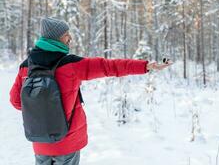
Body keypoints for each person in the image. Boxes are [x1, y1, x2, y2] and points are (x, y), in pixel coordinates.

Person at [9, 17, 171, 165]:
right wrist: (146, 66)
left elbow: (16, 101)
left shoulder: (26, 66)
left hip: (40, 142)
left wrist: (41, 106)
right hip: (67, 142)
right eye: (66, 35)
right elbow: (109, 67)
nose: (70, 38)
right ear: (56, 38)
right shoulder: (71, 65)